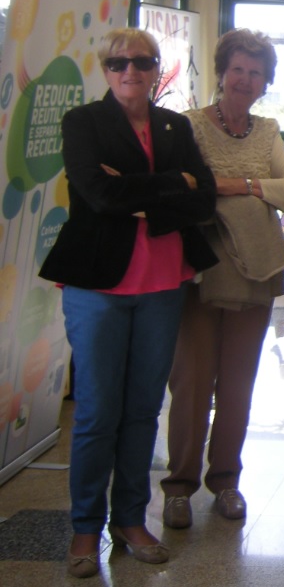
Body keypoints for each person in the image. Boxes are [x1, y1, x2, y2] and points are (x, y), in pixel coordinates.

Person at [41, 29, 216, 578]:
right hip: (98, 285)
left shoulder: (174, 125)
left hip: (163, 284)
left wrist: (143, 192)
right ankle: (85, 529)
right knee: (96, 412)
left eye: (141, 62)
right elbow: (97, 194)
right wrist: (171, 185)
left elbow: (203, 195)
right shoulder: (84, 123)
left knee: (143, 409)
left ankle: (131, 520)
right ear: (106, 69)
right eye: (118, 62)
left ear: (156, 68)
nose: (130, 71)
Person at [161, 29, 284, 529]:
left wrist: (233, 185)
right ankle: (178, 486)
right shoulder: (188, 126)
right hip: (200, 270)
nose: (246, 79)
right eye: (238, 69)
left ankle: (225, 479)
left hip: (257, 271)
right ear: (222, 72)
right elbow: (182, 190)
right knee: (193, 382)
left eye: (256, 71)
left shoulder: (268, 130)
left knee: (240, 383)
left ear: (267, 80)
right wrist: (251, 194)